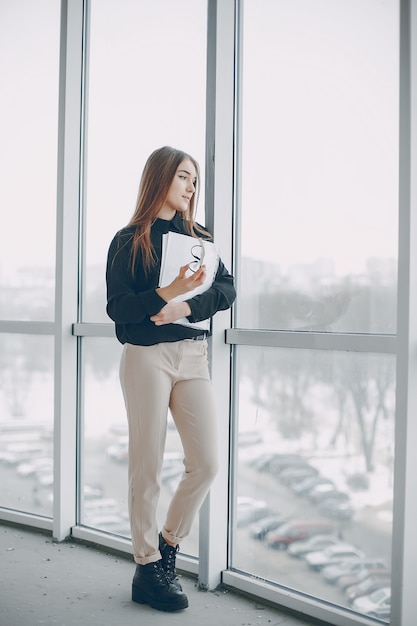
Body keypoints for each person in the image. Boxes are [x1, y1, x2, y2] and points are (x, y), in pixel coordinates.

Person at [106, 146, 236, 612]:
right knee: (147, 466)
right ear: (160, 178)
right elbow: (119, 310)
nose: (190, 187)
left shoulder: (198, 237)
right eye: (183, 177)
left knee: (206, 462)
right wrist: (167, 292)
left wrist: (185, 305)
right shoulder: (129, 240)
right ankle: (146, 567)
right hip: (145, 357)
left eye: (194, 181)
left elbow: (226, 287)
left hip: (193, 355)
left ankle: (167, 546)